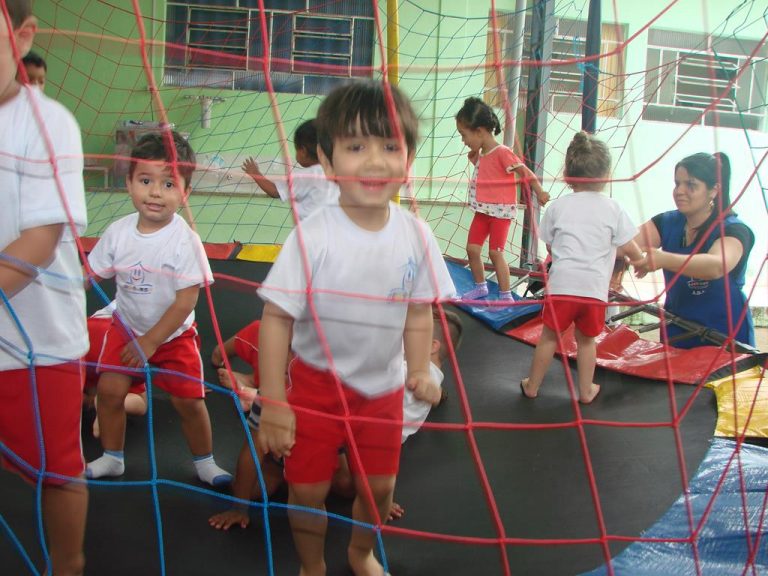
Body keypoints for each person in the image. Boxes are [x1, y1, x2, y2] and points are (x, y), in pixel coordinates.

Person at [257, 80, 456, 576]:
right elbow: (276, 318)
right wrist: (275, 403)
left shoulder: (416, 233)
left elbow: (416, 310)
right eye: (355, 147)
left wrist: (419, 369)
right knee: (307, 492)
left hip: (383, 389)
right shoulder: (315, 234)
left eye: (390, 146)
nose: (374, 161)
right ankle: (311, 566)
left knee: (381, 488)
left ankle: (360, 551)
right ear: (326, 163)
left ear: (408, 159)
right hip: (316, 388)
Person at [207, 306, 463, 531]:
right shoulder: (273, 397)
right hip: (286, 440)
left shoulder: (347, 391)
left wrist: (378, 492)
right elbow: (251, 450)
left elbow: (364, 443)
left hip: (329, 439)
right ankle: (274, 460)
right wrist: (239, 507)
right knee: (256, 490)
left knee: (343, 486)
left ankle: (287, 469)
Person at [85, 131, 232, 487]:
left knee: (189, 403)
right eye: (146, 181)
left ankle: (205, 463)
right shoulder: (118, 233)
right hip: (127, 328)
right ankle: (112, 457)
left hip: (173, 336)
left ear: (186, 192)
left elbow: (186, 301)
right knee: (109, 392)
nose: (155, 192)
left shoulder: (186, 241)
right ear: (129, 183)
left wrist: (150, 342)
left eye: (168, 184)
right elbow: (90, 275)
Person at [0, 3, 89, 575]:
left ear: (20, 37)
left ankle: (68, 563)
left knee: (56, 469)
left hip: (38, 342)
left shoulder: (45, 121)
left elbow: (38, 240)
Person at [520, 131, 644, 404]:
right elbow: (633, 250)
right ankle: (586, 391)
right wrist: (641, 262)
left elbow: (551, 247)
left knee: (549, 338)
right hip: (593, 291)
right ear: (607, 174)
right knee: (587, 341)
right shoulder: (614, 208)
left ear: (567, 172)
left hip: (563, 286)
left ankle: (532, 386)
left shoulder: (558, 207)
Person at [633, 152, 755, 349]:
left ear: (714, 190)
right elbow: (625, 243)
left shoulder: (734, 229)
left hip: (725, 338)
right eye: (677, 183)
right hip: (678, 332)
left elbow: (717, 265)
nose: (679, 191)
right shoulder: (668, 222)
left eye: (691, 185)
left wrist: (663, 259)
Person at [455, 97, 550, 301]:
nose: (463, 141)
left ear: (479, 131)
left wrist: (539, 191)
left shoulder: (502, 152)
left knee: (495, 253)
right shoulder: (482, 154)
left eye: (464, 135)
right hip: (482, 211)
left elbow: (525, 172)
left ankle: (506, 295)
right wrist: (476, 156)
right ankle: (481, 287)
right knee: (472, 249)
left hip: (500, 213)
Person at [242, 118, 339, 222]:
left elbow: (275, 191)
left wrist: (254, 172)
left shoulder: (306, 177)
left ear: (303, 151)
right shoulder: (340, 171)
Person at [83, 302, 148, 438]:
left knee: (86, 380)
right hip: (115, 333)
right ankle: (102, 405)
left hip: (87, 329)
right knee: (141, 402)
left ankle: (89, 399)